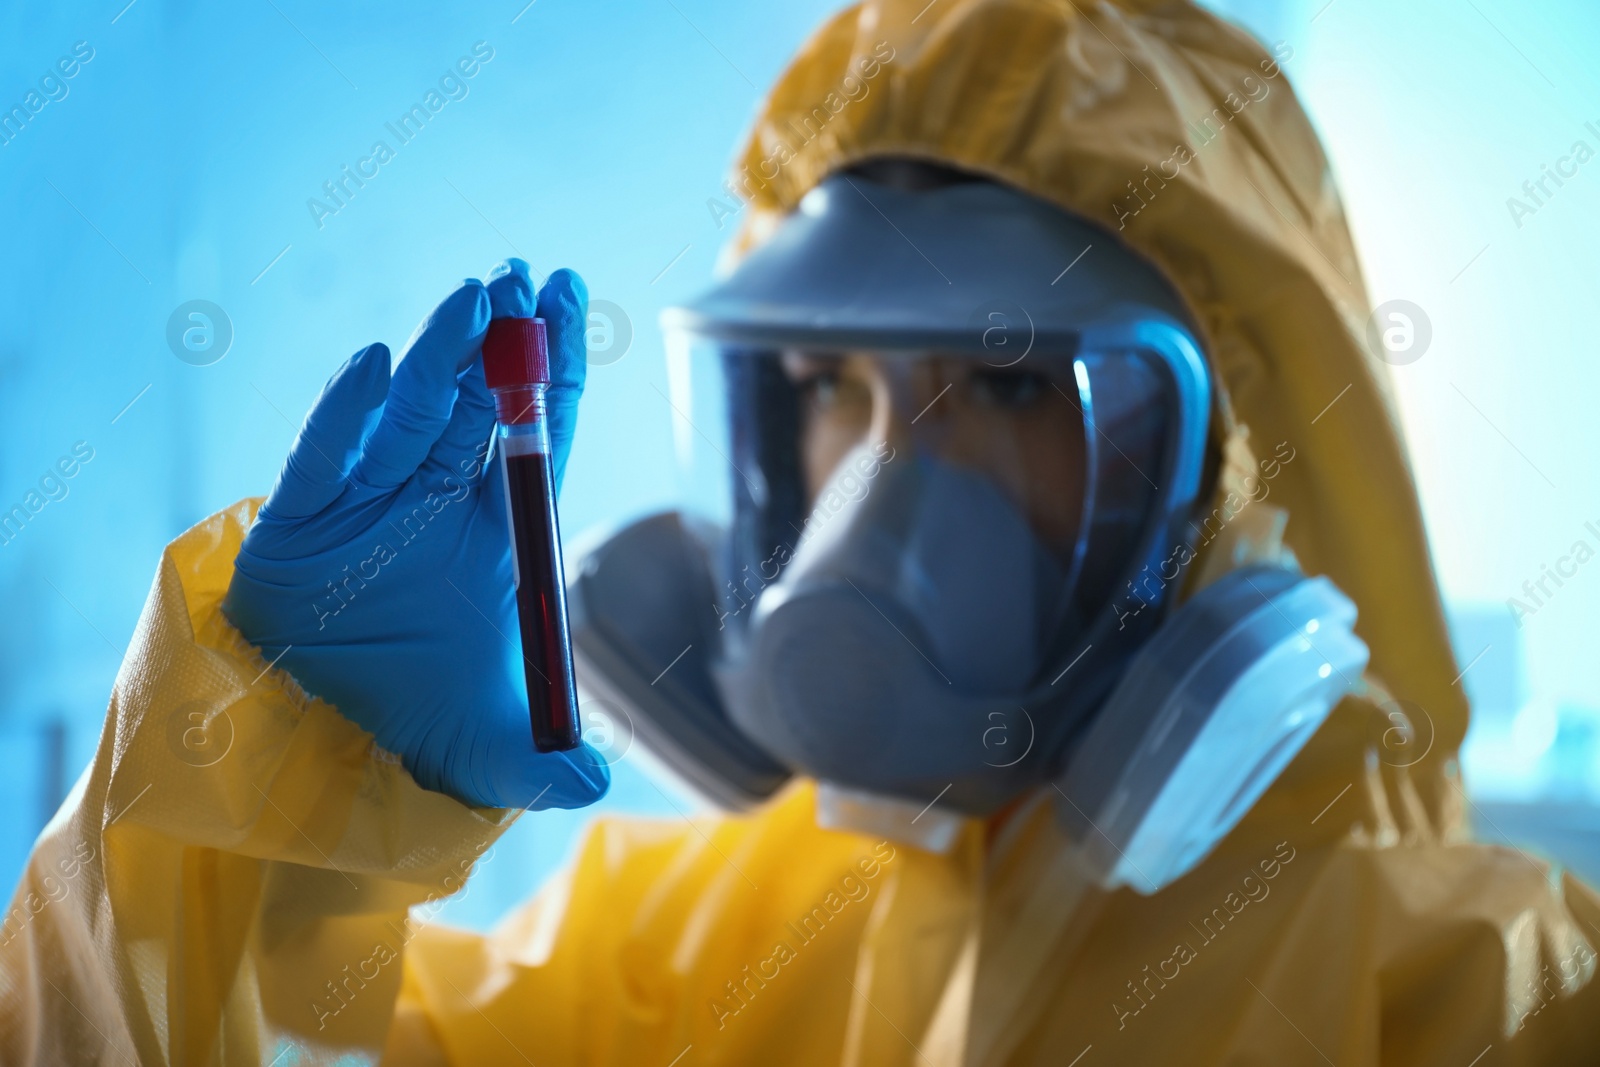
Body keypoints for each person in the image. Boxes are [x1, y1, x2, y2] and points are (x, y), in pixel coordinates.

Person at [3, 0, 1597, 1063]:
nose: (884, 480)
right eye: (832, 380)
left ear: (1229, 464)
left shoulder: (1482, 996)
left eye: (1004, 380)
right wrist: (267, 789)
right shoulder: (692, 956)